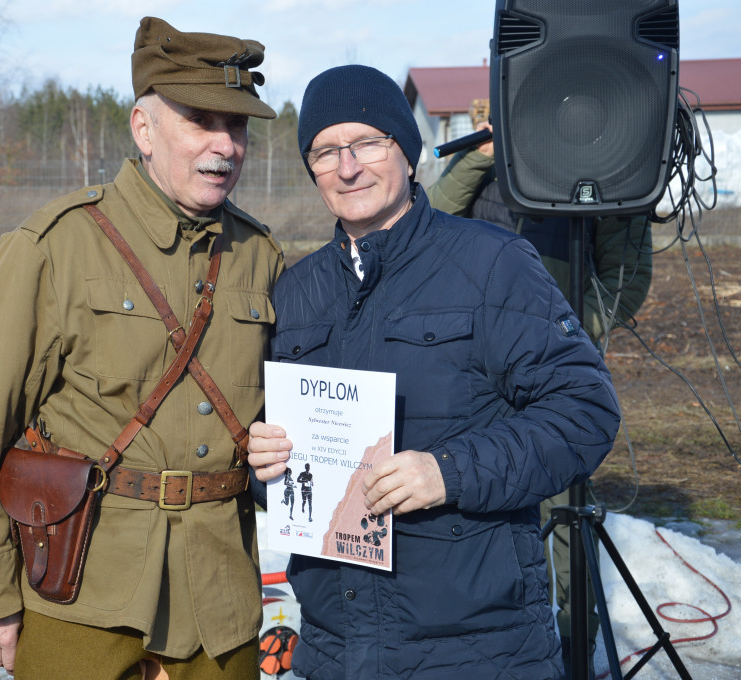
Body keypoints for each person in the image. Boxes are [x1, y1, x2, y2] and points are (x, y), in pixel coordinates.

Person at [247, 64, 621, 679]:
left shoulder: (491, 263)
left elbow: (584, 412)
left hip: (479, 652)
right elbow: (285, 467)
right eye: (325, 151)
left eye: (368, 142)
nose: (347, 166)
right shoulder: (295, 293)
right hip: (338, 653)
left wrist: (447, 473)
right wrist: (265, 464)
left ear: (408, 151)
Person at [0, 16, 284, 679]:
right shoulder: (56, 245)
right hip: (83, 595)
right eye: (200, 121)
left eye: (237, 126)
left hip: (219, 604)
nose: (224, 145)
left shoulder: (259, 256)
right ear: (143, 129)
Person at [427, 118, 653, 676]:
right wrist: (480, 157)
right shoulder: (481, 171)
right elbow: (425, 226)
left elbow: (623, 286)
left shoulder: (588, 177)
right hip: (467, 391)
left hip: (548, 394)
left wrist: (568, 334)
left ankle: (573, 654)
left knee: (567, 534)